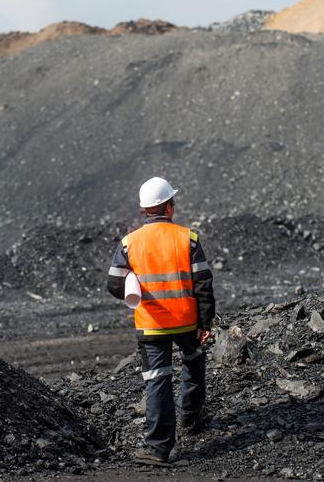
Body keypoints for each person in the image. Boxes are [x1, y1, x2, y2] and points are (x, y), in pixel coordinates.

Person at [107, 177, 216, 464]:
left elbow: (114, 285)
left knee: (158, 381)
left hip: (151, 325)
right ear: (168, 207)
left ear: (145, 211)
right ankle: (192, 419)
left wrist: (133, 281)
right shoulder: (187, 239)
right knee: (193, 363)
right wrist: (205, 323)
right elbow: (204, 284)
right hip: (186, 322)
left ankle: (158, 449)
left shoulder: (129, 243)